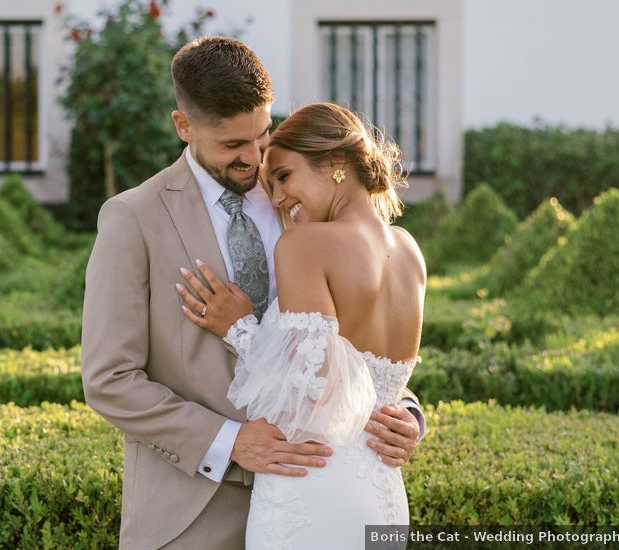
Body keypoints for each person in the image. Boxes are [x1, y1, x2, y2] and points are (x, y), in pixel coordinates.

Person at [81, 36, 425, 550]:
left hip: (313, 492)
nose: (254, 160)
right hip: (192, 512)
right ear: (184, 126)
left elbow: (352, 345)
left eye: (262, 136)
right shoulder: (134, 218)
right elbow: (109, 379)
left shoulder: (300, 201)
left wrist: (409, 415)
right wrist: (231, 441)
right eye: (232, 145)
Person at [175, 101, 426, 548]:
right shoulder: (410, 252)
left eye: (284, 176)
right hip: (383, 493)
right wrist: (411, 416)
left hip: (311, 486)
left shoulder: (304, 245)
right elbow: (372, 378)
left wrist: (238, 329)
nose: (276, 199)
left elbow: (314, 393)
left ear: (335, 163)